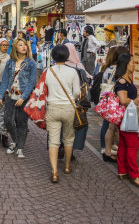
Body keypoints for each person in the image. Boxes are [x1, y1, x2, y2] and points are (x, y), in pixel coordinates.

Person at [44, 45, 82, 183]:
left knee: (53, 140)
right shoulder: (73, 72)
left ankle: (54, 172)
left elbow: (43, 90)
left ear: (53, 56)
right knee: (68, 138)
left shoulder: (47, 71)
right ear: (67, 56)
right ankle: (66, 166)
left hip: (52, 107)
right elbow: (77, 92)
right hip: (68, 107)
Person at [0, 37, 36, 159]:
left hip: (23, 97)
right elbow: (5, 79)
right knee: (7, 120)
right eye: (20, 45)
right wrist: (0, 96)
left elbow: (31, 83)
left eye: (25, 45)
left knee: (21, 122)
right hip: (10, 95)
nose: (23, 47)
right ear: (15, 47)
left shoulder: (31, 63)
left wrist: (24, 97)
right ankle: (15, 141)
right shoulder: (10, 62)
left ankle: (20, 148)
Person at [114, 52, 139, 188]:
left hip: (125, 117)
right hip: (128, 119)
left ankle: (122, 171)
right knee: (133, 146)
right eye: (132, 62)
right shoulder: (122, 81)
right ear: (126, 65)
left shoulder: (126, 79)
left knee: (123, 145)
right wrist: (135, 100)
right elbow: (123, 100)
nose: (134, 64)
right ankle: (134, 175)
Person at [98, 46, 124, 161]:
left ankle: (105, 147)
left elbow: (104, 81)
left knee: (107, 124)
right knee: (112, 125)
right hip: (116, 100)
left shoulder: (107, 68)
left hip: (108, 99)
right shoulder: (118, 70)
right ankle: (109, 148)